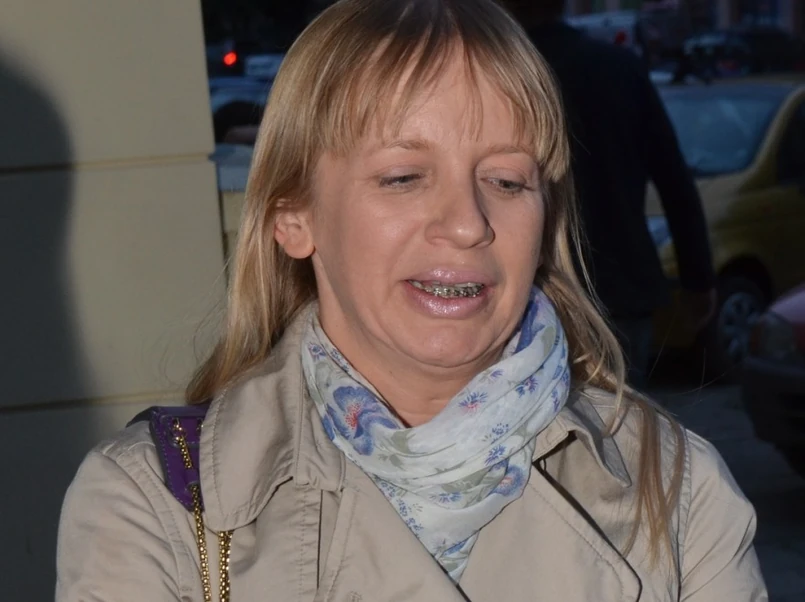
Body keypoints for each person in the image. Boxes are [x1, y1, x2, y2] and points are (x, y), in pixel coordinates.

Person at [56, 1, 766, 600]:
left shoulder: (677, 489)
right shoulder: (152, 505)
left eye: (507, 181)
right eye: (402, 177)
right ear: (293, 216)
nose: (466, 223)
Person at [503, 0, 718, 388]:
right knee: (622, 415)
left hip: (528, 289)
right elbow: (674, 180)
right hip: (621, 287)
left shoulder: (499, 70)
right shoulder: (617, 67)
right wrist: (697, 278)